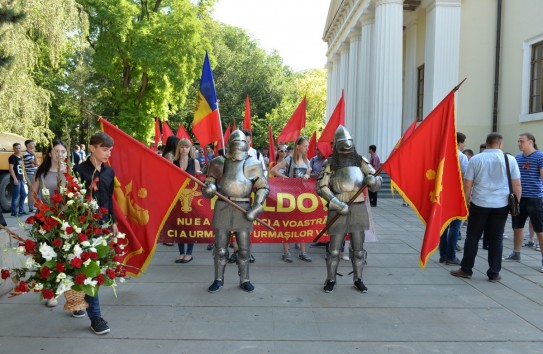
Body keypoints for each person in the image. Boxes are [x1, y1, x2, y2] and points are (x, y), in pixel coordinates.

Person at [317, 125, 382, 293]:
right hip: (338, 208)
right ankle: (331, 279)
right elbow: (321, 187)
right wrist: (336, 203)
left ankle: (358, 278)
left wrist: (373, 181)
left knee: (358, 250)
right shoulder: (330, 163)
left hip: (358, 207)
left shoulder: (360, 160)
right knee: (334, 249)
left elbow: (376, 179)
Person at [202, 130, 269, 293]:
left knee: (244, 249)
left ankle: (244, 278)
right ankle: (218, 279)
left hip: (243, 207)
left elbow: (262, 186)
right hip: (223, 205)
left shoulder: (252, 163)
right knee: (221, 248)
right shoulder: (218, 162)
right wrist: (209, 187)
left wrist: (257, 206)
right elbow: (208, 182)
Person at [451, 133, 521, 282]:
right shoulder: (510, 159)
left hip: (479, 203)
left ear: (487, 143)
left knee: (472, 236)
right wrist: (516, 203)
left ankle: (466, 269)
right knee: (496, 238)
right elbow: (517, 184)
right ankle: (494, 273)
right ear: (500, 144)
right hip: (501, 204)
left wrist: (466, 201)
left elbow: (468, 184)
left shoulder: (476, 159)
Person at [73, 132, 118, 334]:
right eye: (104, 149)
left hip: (104, 226)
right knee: (89, 270)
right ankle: (96, 318)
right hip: (83, 228)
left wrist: (114, 222)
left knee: (92, 269)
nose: (108, 153)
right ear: (92, 148)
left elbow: (109, 199)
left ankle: (78, 299)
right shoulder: (79, 170)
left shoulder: (109, 172)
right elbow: (73, 201)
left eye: (110, 150)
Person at [31, 140, 68, 307]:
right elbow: (32, 196)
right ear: (50, 154)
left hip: (67, 219)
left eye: (62, 151)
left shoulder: (71, 172)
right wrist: (43, 209)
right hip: (46, 219)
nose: (59, 154)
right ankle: (51, 292)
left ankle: (71, 293)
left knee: (69, 256)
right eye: (56, 151)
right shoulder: (41, 173)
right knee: (49, 255)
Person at [503, 133, 543, 272]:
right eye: (518, 141)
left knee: (540, 230)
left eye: (522, 141)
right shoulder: (517, 158)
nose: (519, 143)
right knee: (517, 227)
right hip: (519, 198)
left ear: (530, 142)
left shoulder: (540, 156)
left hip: (535, 198)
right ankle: (516, 253)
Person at [270, 136, 313, 263]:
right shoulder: (289, 159)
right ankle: (286, 252)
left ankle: (303, 252)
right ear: (298, 146)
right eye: (305, 146)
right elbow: (274, 170)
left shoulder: (306, 160)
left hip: (302, 196)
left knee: (302, 223)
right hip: (289, 196)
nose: (307, 148)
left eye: (307, 146)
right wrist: (287, 180)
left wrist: (307, 174)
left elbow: (309, 172)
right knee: (287, 223)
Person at [439, 132, 469, 265]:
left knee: (443, 226)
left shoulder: (442, 154)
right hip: (456, 195)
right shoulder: (461, 157)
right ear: (459, 143)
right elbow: (465, 177)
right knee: (455, 226)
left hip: (443, 194)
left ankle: (443, 254)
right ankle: (451, 255)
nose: (465, 145)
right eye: (464, 142)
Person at [173, 138, 202, 264]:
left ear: (190, 149)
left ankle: (189, 253)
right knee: (179, 225)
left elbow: (199, 179)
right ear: (178, 148)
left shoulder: (194, 161)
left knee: (190, 225)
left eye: (187, 147)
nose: (184, 149)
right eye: (182, 147)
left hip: (191, 199)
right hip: (177, 198)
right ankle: (181, 252)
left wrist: (199, 173)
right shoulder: (174, 162)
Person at [8, 143, 28, 216]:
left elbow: (22, 168)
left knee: (24, 194)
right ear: (13, 149)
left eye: (19, 148)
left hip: (21, 179)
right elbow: (10, 169)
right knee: (15, 196)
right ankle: (13, 212)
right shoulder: (12, 157)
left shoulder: (20, 157)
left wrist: (23, 177)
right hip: (16, 179)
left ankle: (21, 210)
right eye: (16, 148)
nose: (18, 149)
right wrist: (15, 179)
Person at [23, 139, 39, 212]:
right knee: (31, 190)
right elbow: (36, 163)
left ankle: (36, 206)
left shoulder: (31, 154)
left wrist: (34, 163)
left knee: (36, 190)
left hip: (34, 173)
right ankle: (31, 207)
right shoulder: (26, 154)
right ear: (28, 145)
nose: (34, 145)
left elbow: (35, 164)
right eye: (32, 144)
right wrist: (35, 155)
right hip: (30, 174)